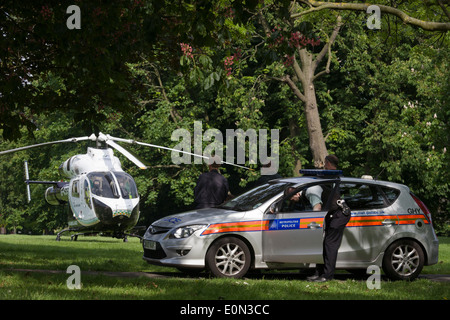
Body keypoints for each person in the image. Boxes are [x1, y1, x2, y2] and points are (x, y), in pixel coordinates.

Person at [308, 154, 351, 282]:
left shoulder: (332, 176)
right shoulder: (331, 176)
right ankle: (319, 272)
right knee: (325, 243)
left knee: (330, 245)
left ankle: (327, 276)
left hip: (339, 214)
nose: (323, 165)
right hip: (332, 214)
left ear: (327, 163)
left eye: (324, 163)